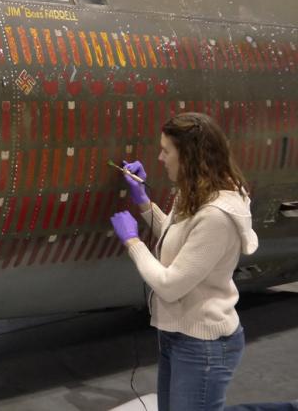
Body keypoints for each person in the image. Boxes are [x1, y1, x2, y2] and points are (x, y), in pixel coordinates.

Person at [109, 112, 262, 411]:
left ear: (189, 156)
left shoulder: (217, 215)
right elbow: (179, 239)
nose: (160, 157)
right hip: (178, 337)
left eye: (167, 151)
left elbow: (170, 285)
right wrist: (143, 203)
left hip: (203, 346)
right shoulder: (195, 193)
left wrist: (133, 243)